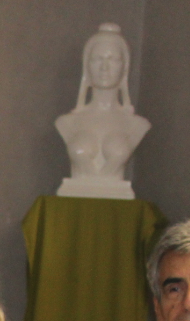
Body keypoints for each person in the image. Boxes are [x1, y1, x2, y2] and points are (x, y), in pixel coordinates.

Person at [54, 23, 150, 198]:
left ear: (124, 67)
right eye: (97, 59)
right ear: (87, 65)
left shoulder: (137, 125)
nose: (104, 67)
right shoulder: (66, 122)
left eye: (113, 59)